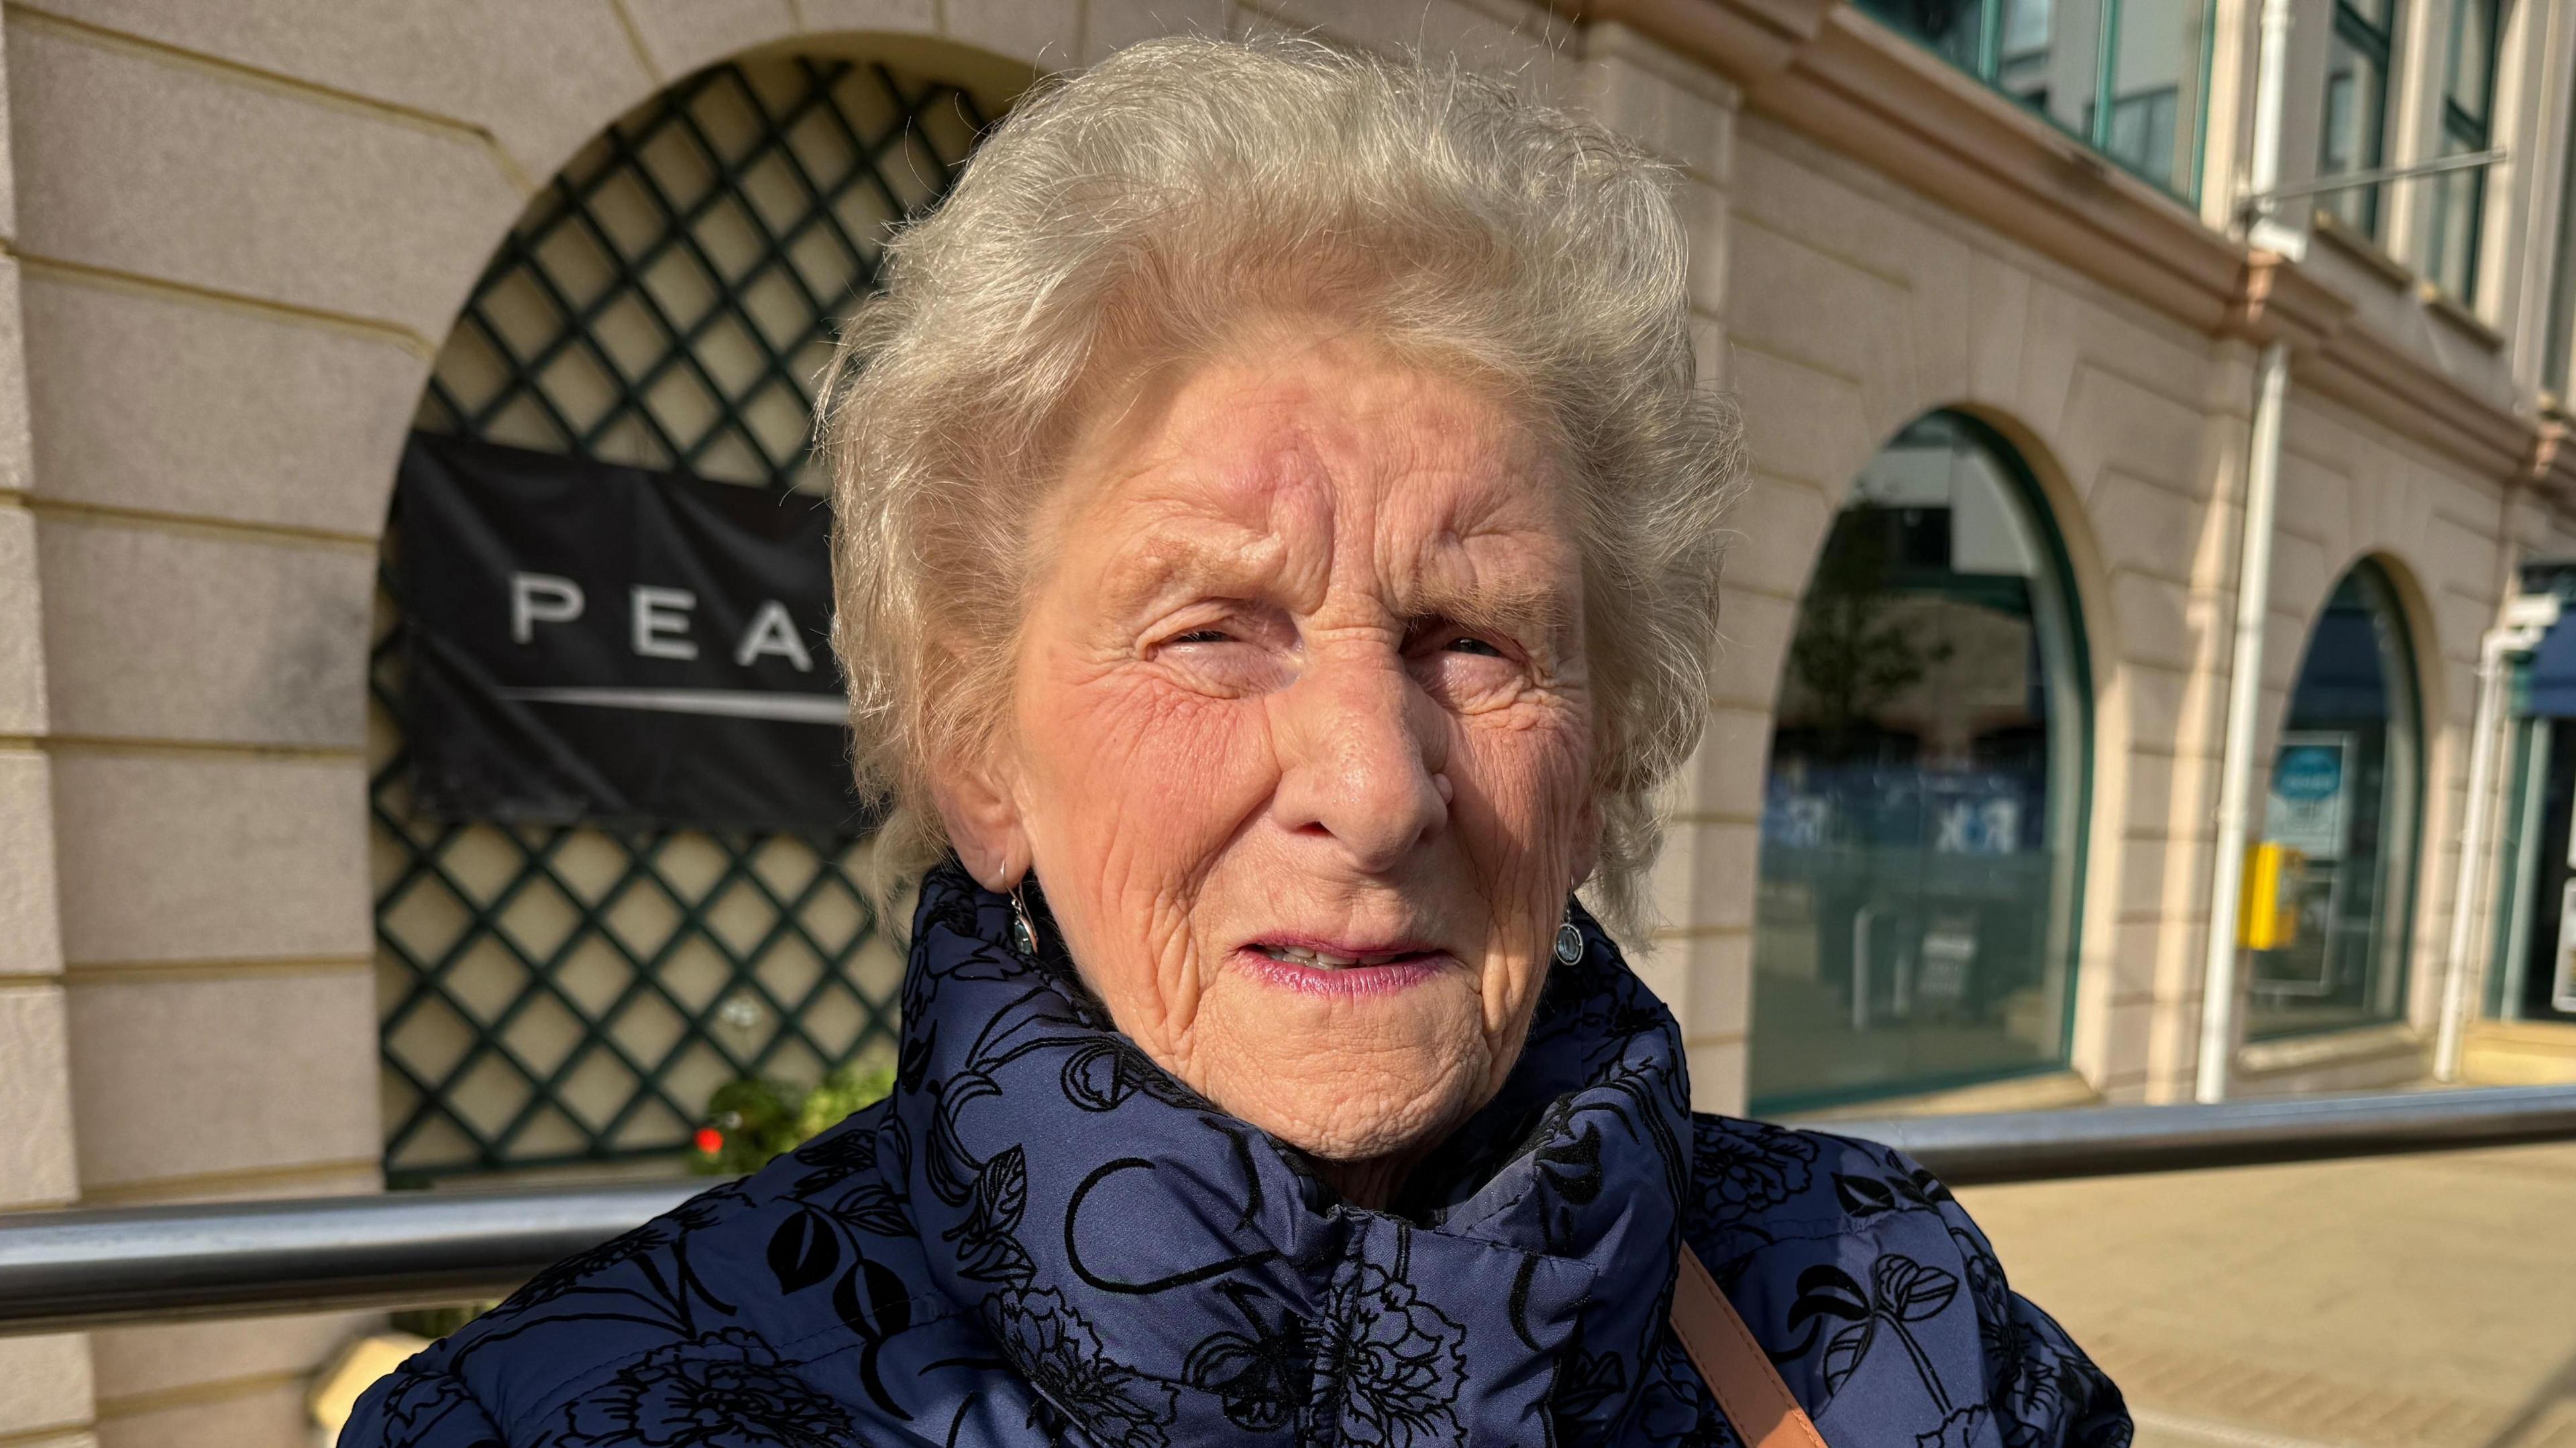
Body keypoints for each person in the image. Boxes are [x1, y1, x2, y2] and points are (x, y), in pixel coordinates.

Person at [344, 36, 2129, 1448]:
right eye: (1211, 633)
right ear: (979, 755)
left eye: (1478, 643)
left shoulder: (1901, 1325)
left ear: (1596, 772)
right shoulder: (565, 1416)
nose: (1371, 785)